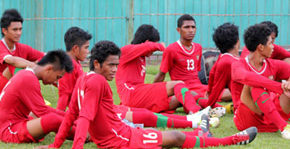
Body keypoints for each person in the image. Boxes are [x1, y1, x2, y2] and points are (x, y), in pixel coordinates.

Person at [46, 40, 257, 149]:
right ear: (96, 63)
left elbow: (73, 113)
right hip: (122, 141)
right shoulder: (97, 81)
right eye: (111, 65)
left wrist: (56, 145)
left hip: (125, 133)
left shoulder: (84, 79)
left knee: (170, 135)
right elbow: (81, 117)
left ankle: (201, 131)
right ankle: (231, 139)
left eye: (117, 65)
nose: (114, 70)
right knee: (174, 137)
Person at [232, 23, 290, 140]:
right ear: (261, 47)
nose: (273, 46)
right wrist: (280, 87)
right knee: (253, 84)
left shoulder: (273, 65)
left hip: (270, 120)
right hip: (247, 122)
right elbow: (247, 77)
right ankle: (284, 127)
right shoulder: (239, 64)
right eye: (270, 43)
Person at [116, 24, 204, 114]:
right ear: (147, 42)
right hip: (131, 95)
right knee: (178, 84)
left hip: (138, 98)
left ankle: (215, 108)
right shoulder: (126, 51)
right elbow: (149, 46)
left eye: (193, 27)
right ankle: (196, 112)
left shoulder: (141, 57)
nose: (152, 53)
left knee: (187, 95)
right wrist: (162, 46)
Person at [156, 15, 230, 114]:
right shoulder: (171, 49)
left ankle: (224, 107)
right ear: (178, 30)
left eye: (193, 27)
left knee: (230, 92)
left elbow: (197, 72)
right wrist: (153, 93)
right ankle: (220, 108)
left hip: (199, 86)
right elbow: (161, 74)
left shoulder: (198, 48)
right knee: (195, 99)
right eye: (186, 27)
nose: (191, 30)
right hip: (184, 89)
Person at [0, 50, 73, 143]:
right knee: (52, 119)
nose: (56, 82)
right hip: (8, 130)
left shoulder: (27, 74)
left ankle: (80, 126)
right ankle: (86, 135)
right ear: (49, 69)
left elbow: (41, 109)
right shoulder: (28, 78)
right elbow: (43, 112)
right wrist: (73, 121)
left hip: (14, 122)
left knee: (43, 112)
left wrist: (72, 117)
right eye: (57, 77)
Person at [0, 9, 44, 91]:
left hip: (14, 89)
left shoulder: (23, 48)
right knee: (13, 66)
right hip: (2, 88)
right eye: (15, 30)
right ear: (4, 31)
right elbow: (11, 60)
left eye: (20, 29)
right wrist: (34, 66)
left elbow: (45, 56)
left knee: (44, 61)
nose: (19, 33)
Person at [206, 23, 241, 108]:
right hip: (249, 104)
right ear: (237, 41)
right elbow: (218, 88)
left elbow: (212, 74)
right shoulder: (228, 61)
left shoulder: (223, 57)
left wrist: (209, 91)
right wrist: (208, 107)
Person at [57, 27, 92, 111]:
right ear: (75, 48)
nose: (88, 51)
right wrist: (58, 118)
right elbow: (64, 94)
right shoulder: (69, 65)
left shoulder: (76, 62)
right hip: (83, 112)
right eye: (86, 47)